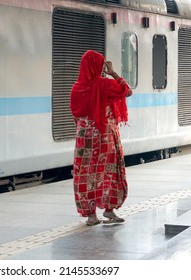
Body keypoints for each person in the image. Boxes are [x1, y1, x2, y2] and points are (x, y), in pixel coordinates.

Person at [69, 50, 133, 226]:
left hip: (84, 139)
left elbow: (75, 113)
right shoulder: (104, 84)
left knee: (85, 174)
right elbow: (127, 91)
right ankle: (109, 209)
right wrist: (113, 73)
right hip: (105, 137)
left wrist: (86, 127)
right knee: (109, 171)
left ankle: (91, 215)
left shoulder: (76, 88)